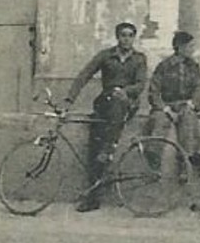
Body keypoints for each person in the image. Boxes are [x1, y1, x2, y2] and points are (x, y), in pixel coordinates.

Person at [62, 21, 148, 212]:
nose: (127, 39)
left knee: (117, 107)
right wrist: (69, 100)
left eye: (130, 35)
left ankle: (109, 147)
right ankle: (93, 198)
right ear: (117, 37)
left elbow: (141, 84)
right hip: (105, 104)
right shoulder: (106, 56)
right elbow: (84, 75)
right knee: (95, 149)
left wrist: (124, 90)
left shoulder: (139, 59)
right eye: (123, 35)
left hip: (127, 102)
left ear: (134, 38)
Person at [147, 31, 200, 156]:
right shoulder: (164, 66)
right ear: (180, 47)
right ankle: (154, 163)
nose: (193, 50)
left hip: (185, 105)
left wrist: (192, 104)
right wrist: (166, 109)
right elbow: (153, 91)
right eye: (190, 46)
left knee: (189, 122)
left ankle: (187, 161)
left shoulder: (193, 66)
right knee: (159, 123)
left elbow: (199, 88)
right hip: (166, 105)